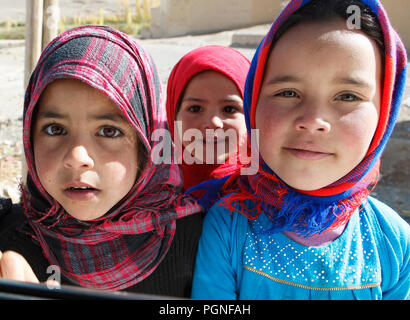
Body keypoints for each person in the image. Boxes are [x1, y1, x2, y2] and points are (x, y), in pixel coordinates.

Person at [191, 0, 409, 299]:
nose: (312, 121)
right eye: (288, 92)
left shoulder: (394, 243)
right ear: (254, 100)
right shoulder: (228, 227)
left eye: (347, 96)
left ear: (384, 114)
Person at [0, 25, 203, 297]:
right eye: (55, 129)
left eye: (109, 131)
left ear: (147, 145)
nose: (77, 159)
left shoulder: (204, 243)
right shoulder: (10, 241)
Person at [166, 45, 250, 191]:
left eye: (229, 109)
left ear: (251, 114)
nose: (213, 123)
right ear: (173, 115)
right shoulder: (151, 188)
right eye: (195, 109)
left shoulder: (268, 191)